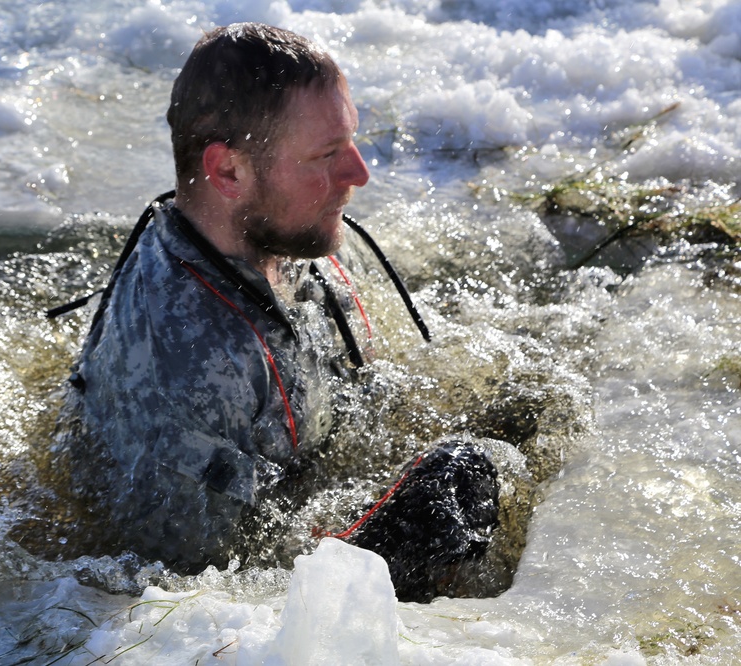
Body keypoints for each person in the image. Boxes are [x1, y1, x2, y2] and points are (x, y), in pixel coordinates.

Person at [57, 23, 499, 595]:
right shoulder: (191, 373)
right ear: (228, 172)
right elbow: (193, 600)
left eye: (352, 141)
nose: (359, 174)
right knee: (455, 487)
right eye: (326, 154)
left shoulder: (277, 230)